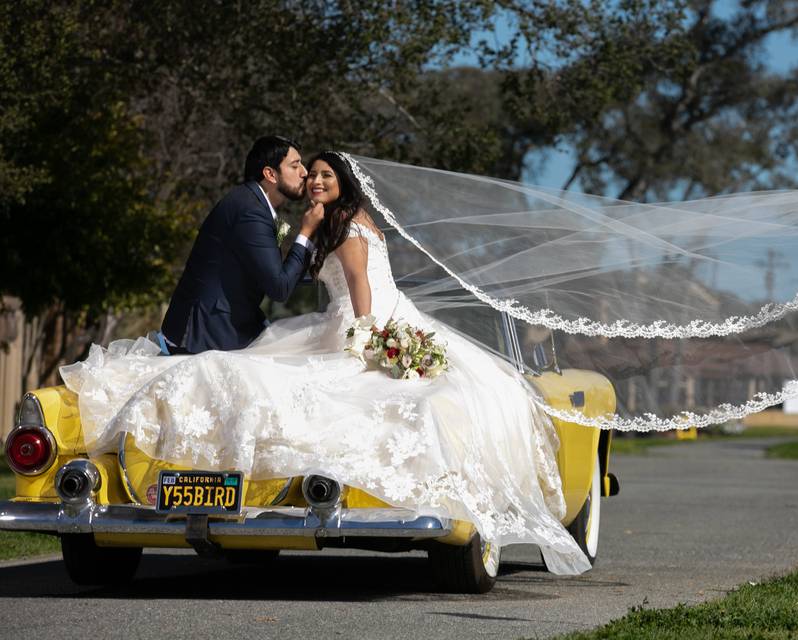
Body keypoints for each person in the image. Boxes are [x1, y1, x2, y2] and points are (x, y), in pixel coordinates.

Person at [61, 150, 592, 575]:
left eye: (323, 175)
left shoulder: (349, 224)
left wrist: (368, 340)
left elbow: (359, 285)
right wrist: (308, 232)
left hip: (368, 322)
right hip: (337, 323)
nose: (314, 181)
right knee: (248, 371)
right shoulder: (327, 221)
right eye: (309, 174)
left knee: (356, 392)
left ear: (343, 182)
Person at [160, 136, 325, 354]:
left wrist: (324, 270)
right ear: (270, 174)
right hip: (206, 333)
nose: (304, 172)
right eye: (295, 165)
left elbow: (272, 276)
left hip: (232, 323)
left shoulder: (257, 205)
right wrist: (306, 231)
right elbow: (279, 288)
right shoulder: (251, 212)